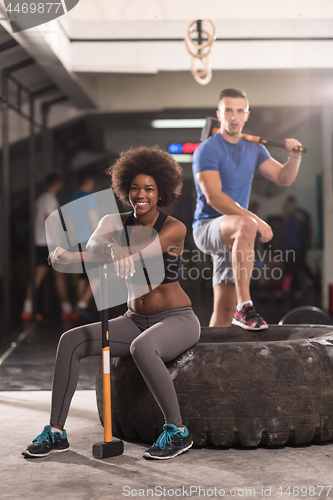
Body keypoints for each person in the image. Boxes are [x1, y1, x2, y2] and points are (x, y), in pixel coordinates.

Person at [22, 146, 201, 461]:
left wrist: (96, 252)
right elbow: (95, 244)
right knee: (71, 340)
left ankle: (178, 431)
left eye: (149, 189)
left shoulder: (174, 228)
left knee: (143, 347)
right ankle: (56, 432)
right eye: (134, 188)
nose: (140, 194)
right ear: (125, 190)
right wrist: (98, 250)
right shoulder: (112, 221)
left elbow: (143, 252)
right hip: (134, 319)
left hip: (177, 320)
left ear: (162, 193)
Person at [192, 88, 303, 329]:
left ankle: (209, 361)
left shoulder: (254, 149)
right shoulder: (207, 150)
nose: (233, 116)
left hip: (236, 235)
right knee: (246, 225)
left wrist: (293, 159)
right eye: (228, 111)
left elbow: (283, 178)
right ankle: (245, 307)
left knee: (222, 311)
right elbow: (214, 198)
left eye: (239, 111)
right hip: (208, 227)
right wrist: (255, 220)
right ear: (219, 114)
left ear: (246, 115)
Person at [21, 173, 79, 322]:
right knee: (60, 276)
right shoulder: (50, 200)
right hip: (49, 244)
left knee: (38, 276)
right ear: (57, 184)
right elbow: (49, 221)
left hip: (39, 243)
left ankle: (27, 310)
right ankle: (66, 310)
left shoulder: (40, 199)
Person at [66, 171, 99, 318]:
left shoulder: (72, 199)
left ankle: (78, 309)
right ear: (89, 182)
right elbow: (93, 221)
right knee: (98, 276)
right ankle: (81, 306)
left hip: (77, 241)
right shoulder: (89, 199)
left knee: (83, 276)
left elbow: (69, 222)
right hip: (89, 241)